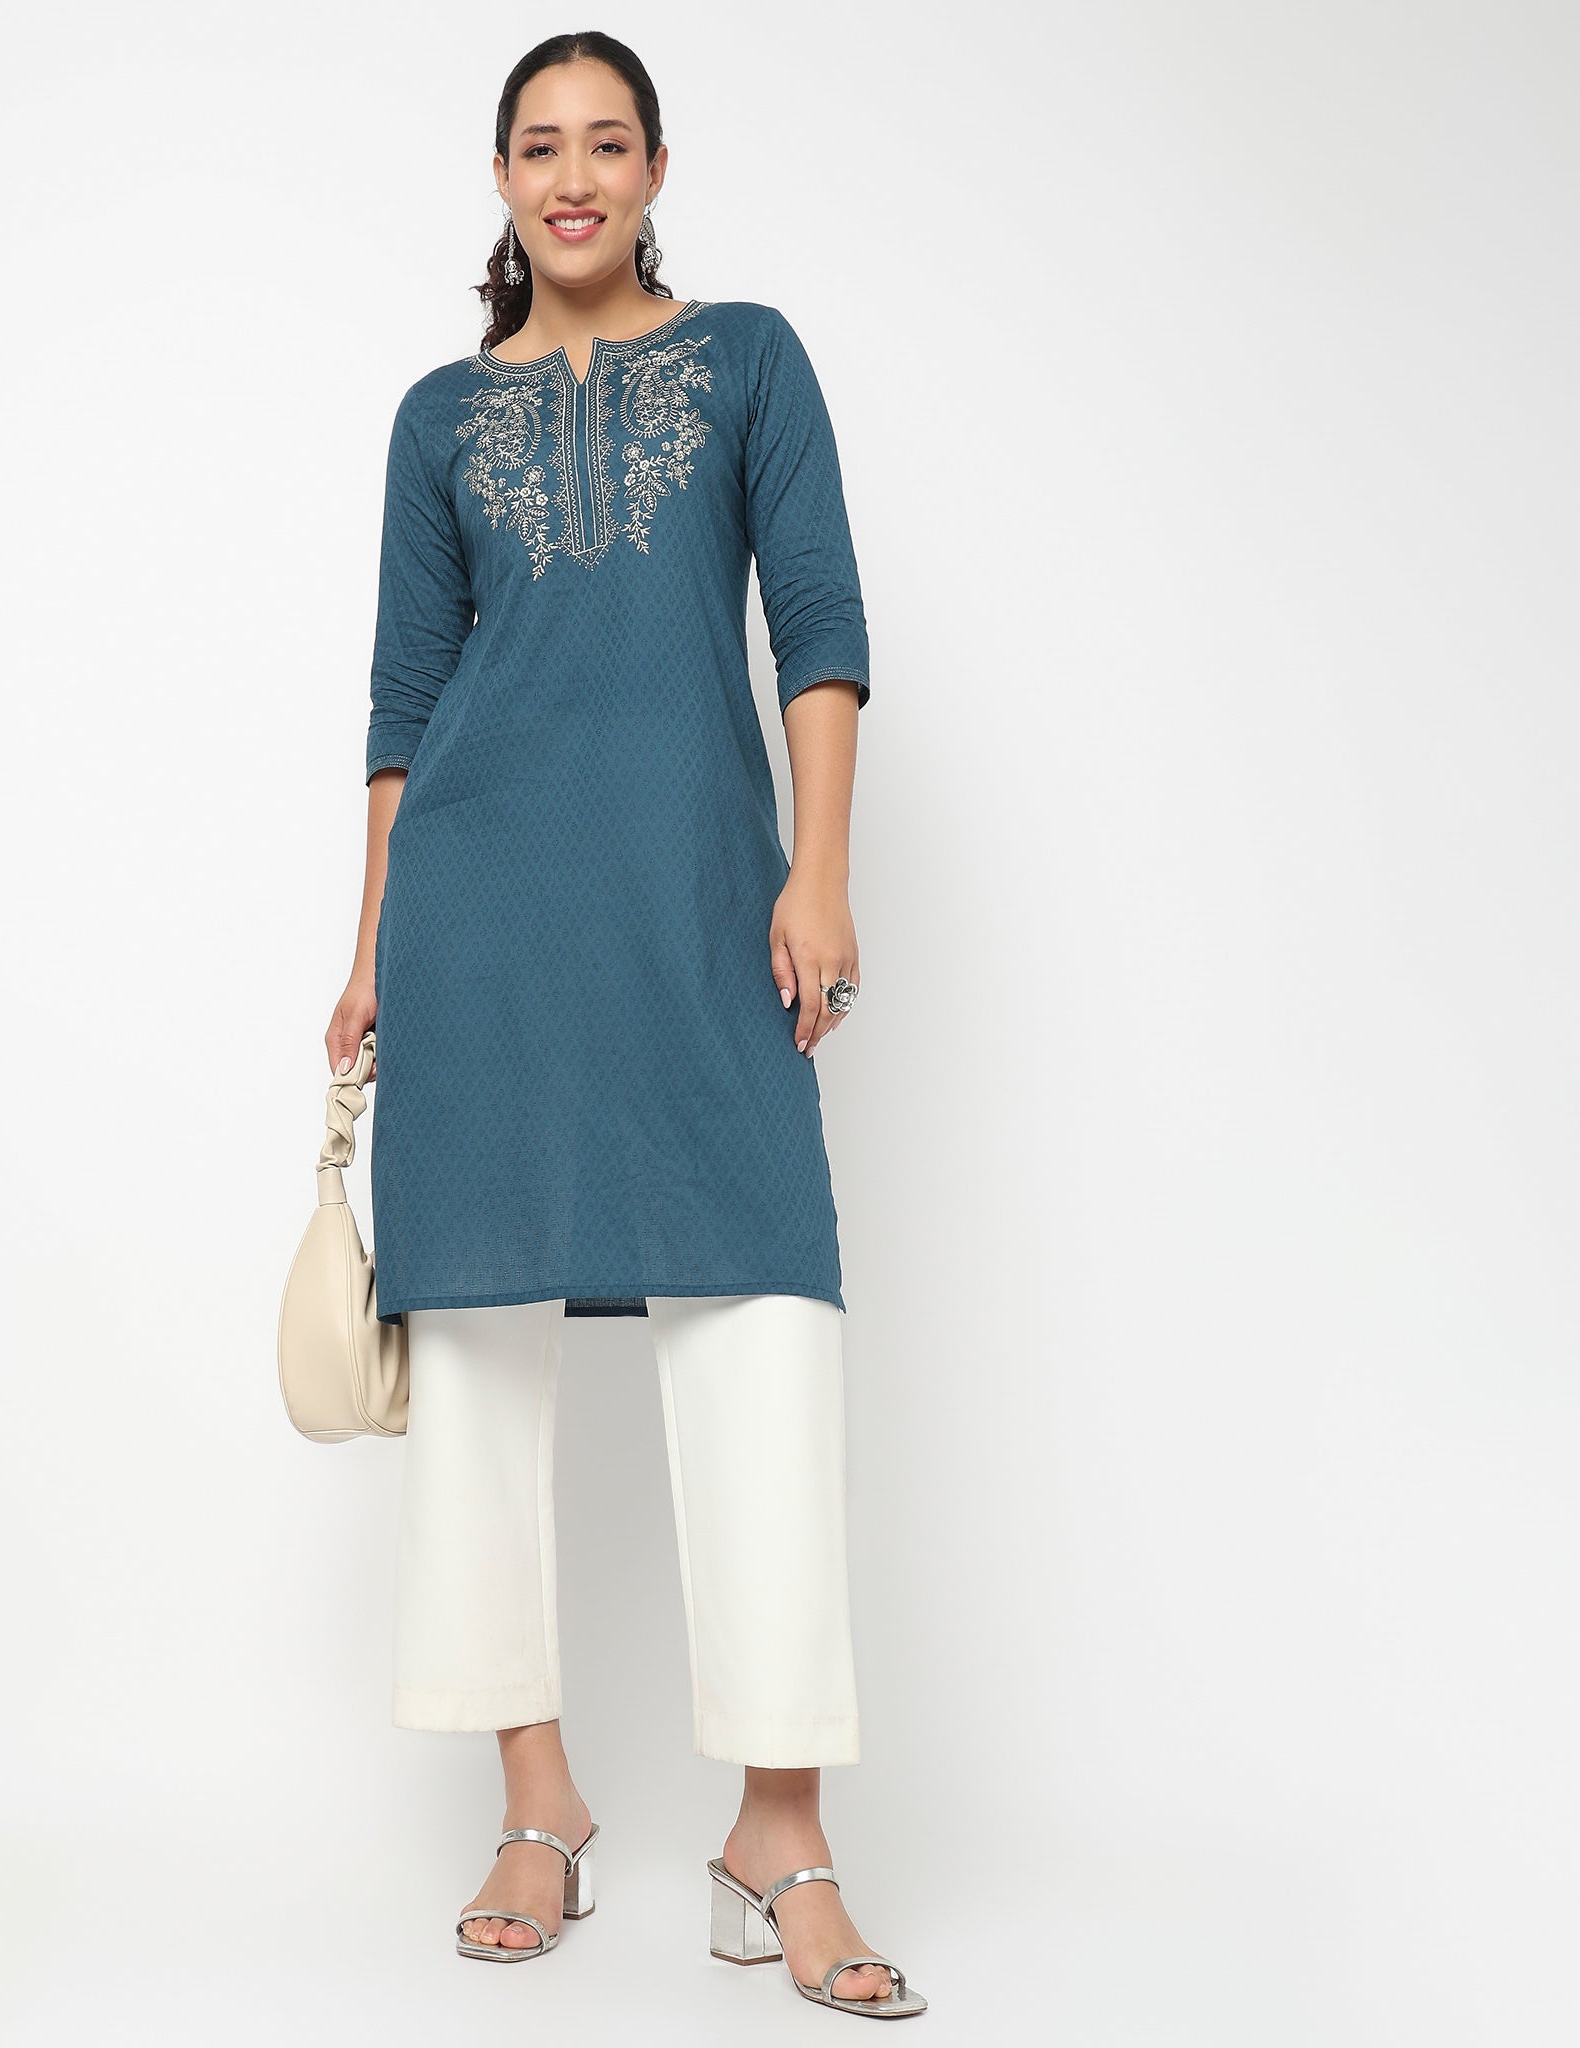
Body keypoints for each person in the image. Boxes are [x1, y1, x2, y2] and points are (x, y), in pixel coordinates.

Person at [323, 32, 925, 2021]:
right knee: (477, 1343)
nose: (571, 176)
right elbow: (404, 705)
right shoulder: (437, 418)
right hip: (479, 923)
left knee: (763, 1314)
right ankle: (539, 1804)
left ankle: (781, 1833)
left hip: (691, 913)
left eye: (605, 143)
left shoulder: (748, 360)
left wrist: (816, 873)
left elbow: (819, 621)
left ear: (658, 165)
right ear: (499, 178)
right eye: (537, 147)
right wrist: (371, 950)